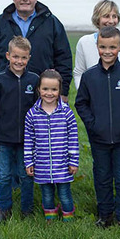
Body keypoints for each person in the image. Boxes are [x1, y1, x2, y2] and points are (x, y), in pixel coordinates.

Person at [75, 26, 120, 230]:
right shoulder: (89, 77)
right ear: (97, 47)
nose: (107, 51)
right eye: (103, 47)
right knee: (102, 178)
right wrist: (93, 125)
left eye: (112, 47)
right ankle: (105, 216)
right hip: (99, 140)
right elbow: (81, 103)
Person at [0, 0, 73, 101]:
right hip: (6, 94)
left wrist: (63, 91)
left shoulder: (51, 23)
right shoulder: (0, 23)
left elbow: (64, 59)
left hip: (44, 95)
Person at [0, 36, 39, 223]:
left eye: (23, 58)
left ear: (29, 58)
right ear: (8, 56)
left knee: (26, 175)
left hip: (27, 141)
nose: (19, 61)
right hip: (3, 141)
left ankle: (27, 211)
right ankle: (4, 210)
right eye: (15, 57)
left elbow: (37, 112)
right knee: (4, 176)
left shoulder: (34, 80)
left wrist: (36, 140)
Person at [24, 69, 80, 223]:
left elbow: (73, 139)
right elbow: (29, 140)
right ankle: (51, 218)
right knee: (47, 194)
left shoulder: (67, 113)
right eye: (45, 89)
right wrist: (29, 162)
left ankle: (68, 218)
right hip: (41, 164)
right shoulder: (32, 114)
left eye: (54, 89)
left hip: (62, 164)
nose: (49, 93)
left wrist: (73, 161)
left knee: (64, 194)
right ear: (38, 90)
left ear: (59, 90)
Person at [73, 0, 120, 88]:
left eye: (114, 16)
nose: (111, 21)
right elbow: (79, 73)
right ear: (97, 19)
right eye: (106, 16)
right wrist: (85, 95)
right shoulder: (84, 42)